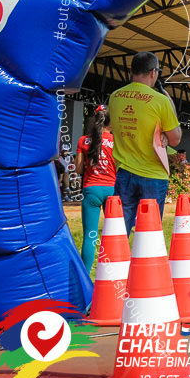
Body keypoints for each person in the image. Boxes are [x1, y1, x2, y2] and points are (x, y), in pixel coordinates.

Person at [108, 51, 181, 234]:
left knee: (119, 230)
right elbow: (175, 139)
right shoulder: (161, 101)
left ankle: (116, 262)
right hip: (153, 174)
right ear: (154, 73)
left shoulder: (115, 97)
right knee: (149, 234)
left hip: (123, 172)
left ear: (132, 71)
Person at [75, 105, 116, 271]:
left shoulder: (83, 140)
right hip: (112, 190)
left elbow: (78, 170)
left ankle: (85, 276)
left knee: (90, 237)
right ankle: (114, 273)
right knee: (114, 236)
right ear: (110, 121)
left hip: (91, 189)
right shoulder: (116, 141)